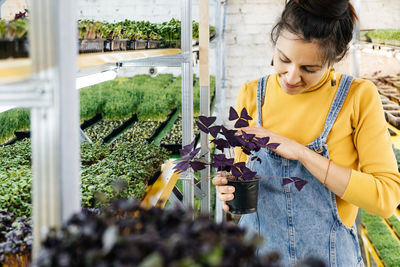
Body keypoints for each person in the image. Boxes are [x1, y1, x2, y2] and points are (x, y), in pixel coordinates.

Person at [212, 0, 400, 266]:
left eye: (308, 69)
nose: (290, 77)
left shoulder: (357, 97)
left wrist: (301, 153)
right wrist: (229, 195)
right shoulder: (251, 95)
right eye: (283, 59)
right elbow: (244, 191)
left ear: (334, 59)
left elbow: (386, 198)